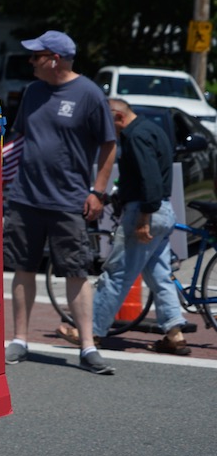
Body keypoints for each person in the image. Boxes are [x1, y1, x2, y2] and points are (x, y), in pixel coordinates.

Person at [2, 30, 118, 374]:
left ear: (54, 59)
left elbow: (108, 145)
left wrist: (97, 191)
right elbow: (19, 138)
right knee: (23, 268)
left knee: (76, 271)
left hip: (68, 201)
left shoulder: (90, 94)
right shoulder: (33, 91)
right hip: (25, 197)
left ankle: (87, 346)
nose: (31, 62)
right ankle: (20, 339)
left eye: (36, 56)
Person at [58, 99, 190, 355]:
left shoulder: (135, 136)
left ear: (118, 117)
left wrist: (143, 218)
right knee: (160, 274)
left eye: (107, 123)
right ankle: (175, 333)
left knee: (117, 273)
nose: (106, 131)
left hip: (145, 211)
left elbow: (148, 178)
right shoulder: (153, 130)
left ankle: (92, 330)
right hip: (163, 210)